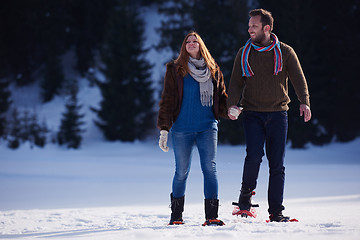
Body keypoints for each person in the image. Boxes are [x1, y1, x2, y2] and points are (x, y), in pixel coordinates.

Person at [227, 9, 311, 222]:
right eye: (249, 26)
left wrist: (304, 102)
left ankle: (276, 212)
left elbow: (298, 79)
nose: (249, 29)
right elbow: (236, 82)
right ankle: (244, 203)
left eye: (254, 26)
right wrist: (231, 105)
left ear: (267, 28)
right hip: (252, 113)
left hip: (278, 113)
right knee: (253, 157)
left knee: (277, 164)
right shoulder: (244, 53)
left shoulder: (285, 52)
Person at [157, 31, 228, 226]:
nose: (191, 43)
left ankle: (211, 216)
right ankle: (176, 217)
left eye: (194, 41)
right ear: (183, 46)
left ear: (201, 45)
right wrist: (164, 129)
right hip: (182, 129)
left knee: (210, 169)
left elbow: (221, 98)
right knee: (181, 171)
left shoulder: (213, 69)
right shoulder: (175, 70)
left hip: (207, 127)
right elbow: (167, 100)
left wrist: (230, 110)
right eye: (187, 41)